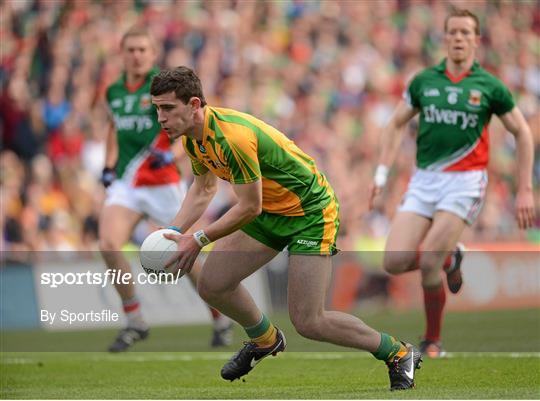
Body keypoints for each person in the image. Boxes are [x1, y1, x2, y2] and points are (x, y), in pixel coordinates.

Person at [149, 66, 422, 391]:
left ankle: (398, 352)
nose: (161, 118)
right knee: (212, 284)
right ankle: (264, 339)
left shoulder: (231, 137)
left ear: (194, 104)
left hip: (309, 210)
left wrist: (197, 239)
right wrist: (173, 233)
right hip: (271, 209)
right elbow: (203, 189)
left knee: (309, 321)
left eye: (168, 108)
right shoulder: (194, 139)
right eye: (157, 109)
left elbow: (250, 206)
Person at [368, 8, 536, 358]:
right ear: (445, 39)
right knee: (393, 262)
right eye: (453, 32)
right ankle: (452, 258)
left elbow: (522, 132)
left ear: (476, 40)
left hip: (465, 182)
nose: (459, 38)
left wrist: (524, 189)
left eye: (466, 32)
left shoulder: (489, 86)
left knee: (428, 261)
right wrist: (381, 174)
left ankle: (432, 341)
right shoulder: (424, 81)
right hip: (425, 180)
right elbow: (395, 124)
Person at [99, 26, 233, 352]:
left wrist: (170, 156)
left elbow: (188, 126)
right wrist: (108, 164)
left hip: (163, 183)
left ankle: (220, 317)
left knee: (182, 255)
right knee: (107, 243)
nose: (136, 55)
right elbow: (113, 128)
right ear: (122, 53)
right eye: (130, 50)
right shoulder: (113, 91)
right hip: (128, 184)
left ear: (152, 53)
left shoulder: (162, 88)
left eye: (142, 49)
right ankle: (135, 320)